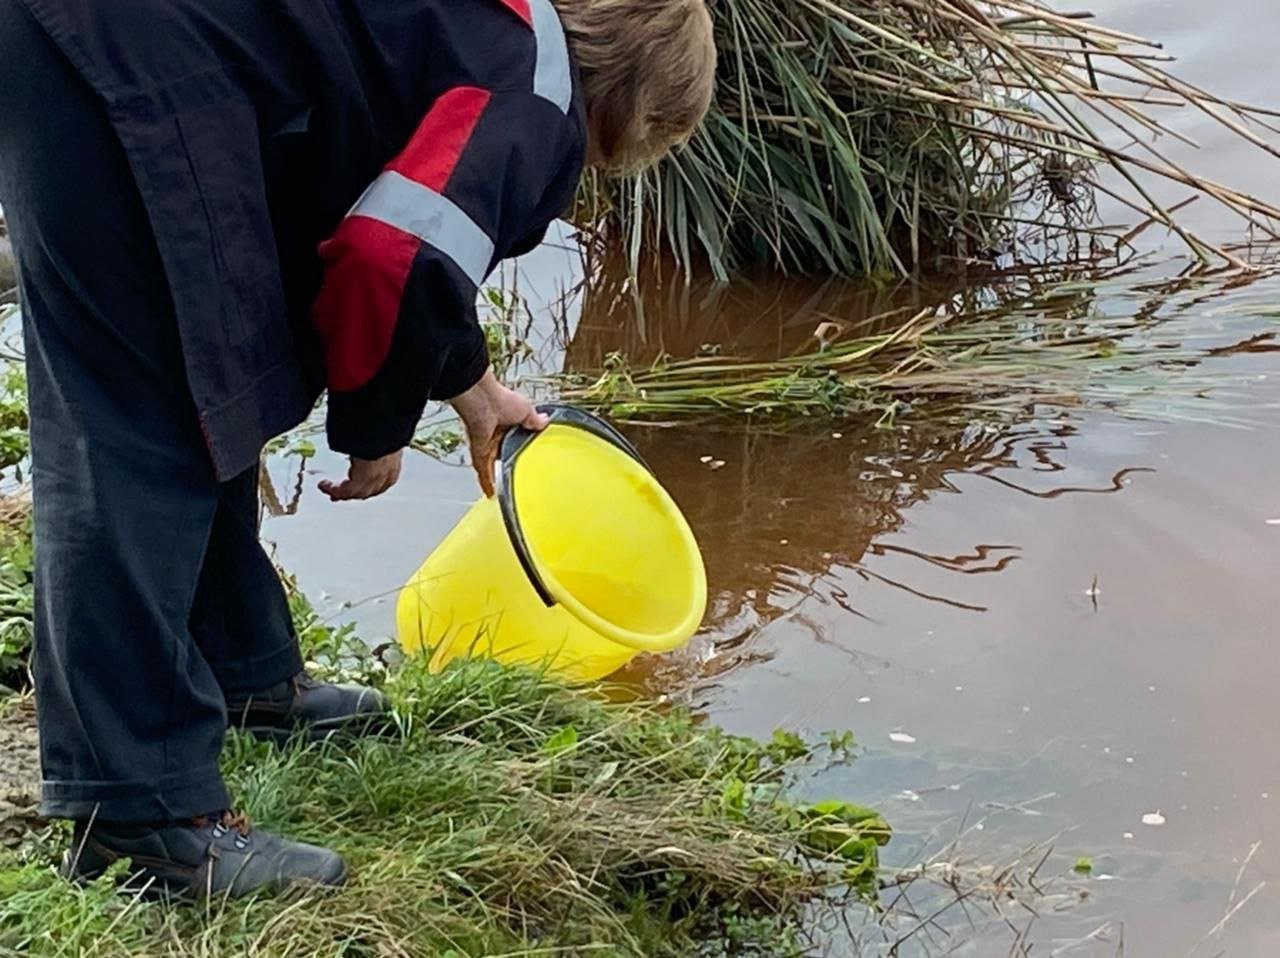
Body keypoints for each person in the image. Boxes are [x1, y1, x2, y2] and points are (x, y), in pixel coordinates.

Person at [0, 0, 715, 898]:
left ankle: (243, 675)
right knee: (143, 423)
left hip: (128, 44)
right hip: (115, 56)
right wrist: (376, 430)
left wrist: (470, 383)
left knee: (221, 366)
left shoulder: (490, 30)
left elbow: (386, 203)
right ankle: (140, 821)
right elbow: (391, 257)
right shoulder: (538, 98)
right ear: (638, 109)